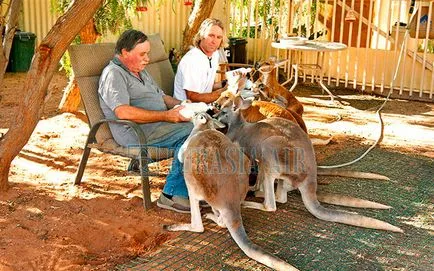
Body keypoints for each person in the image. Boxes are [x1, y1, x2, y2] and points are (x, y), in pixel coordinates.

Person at [98, 29, 194, 213]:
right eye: (142, 54)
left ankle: (191, 188)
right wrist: (166, 116)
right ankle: (171, 194)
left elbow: (162, 97)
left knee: (200, 126)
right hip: (136, 133)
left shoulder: (140, 71)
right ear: (125, 53)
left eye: (147, 53)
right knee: (194, 134)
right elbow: (123, 112)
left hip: (157, 126)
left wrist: (183, 104)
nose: (147, 59)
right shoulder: (114, 74)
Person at [173, 18, 229, 103]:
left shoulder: (214, 54)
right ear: (202, 35)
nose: (214, 41)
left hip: (204, 105)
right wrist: (223, 92)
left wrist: (226, 83)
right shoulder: (192, 60)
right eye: (211, 35)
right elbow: (193, 97)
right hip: (188, 109)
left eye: (219, 37)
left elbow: (206, 86)